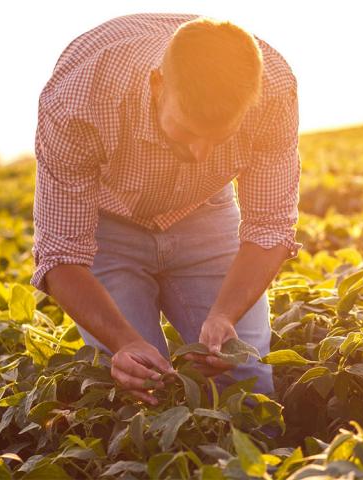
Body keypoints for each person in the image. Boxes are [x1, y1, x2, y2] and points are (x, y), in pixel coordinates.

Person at [31, 13, 302, 406]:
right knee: (141, 387)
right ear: (158, 84)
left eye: (219, 137)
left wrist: (224, 314)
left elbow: (270, 225)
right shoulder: (80, 98)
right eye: (189, 129)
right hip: (106, 224)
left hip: (206, 211)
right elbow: (60, 255)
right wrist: (124, 342)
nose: (199, 153)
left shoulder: (272, 89)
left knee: (245, 379)